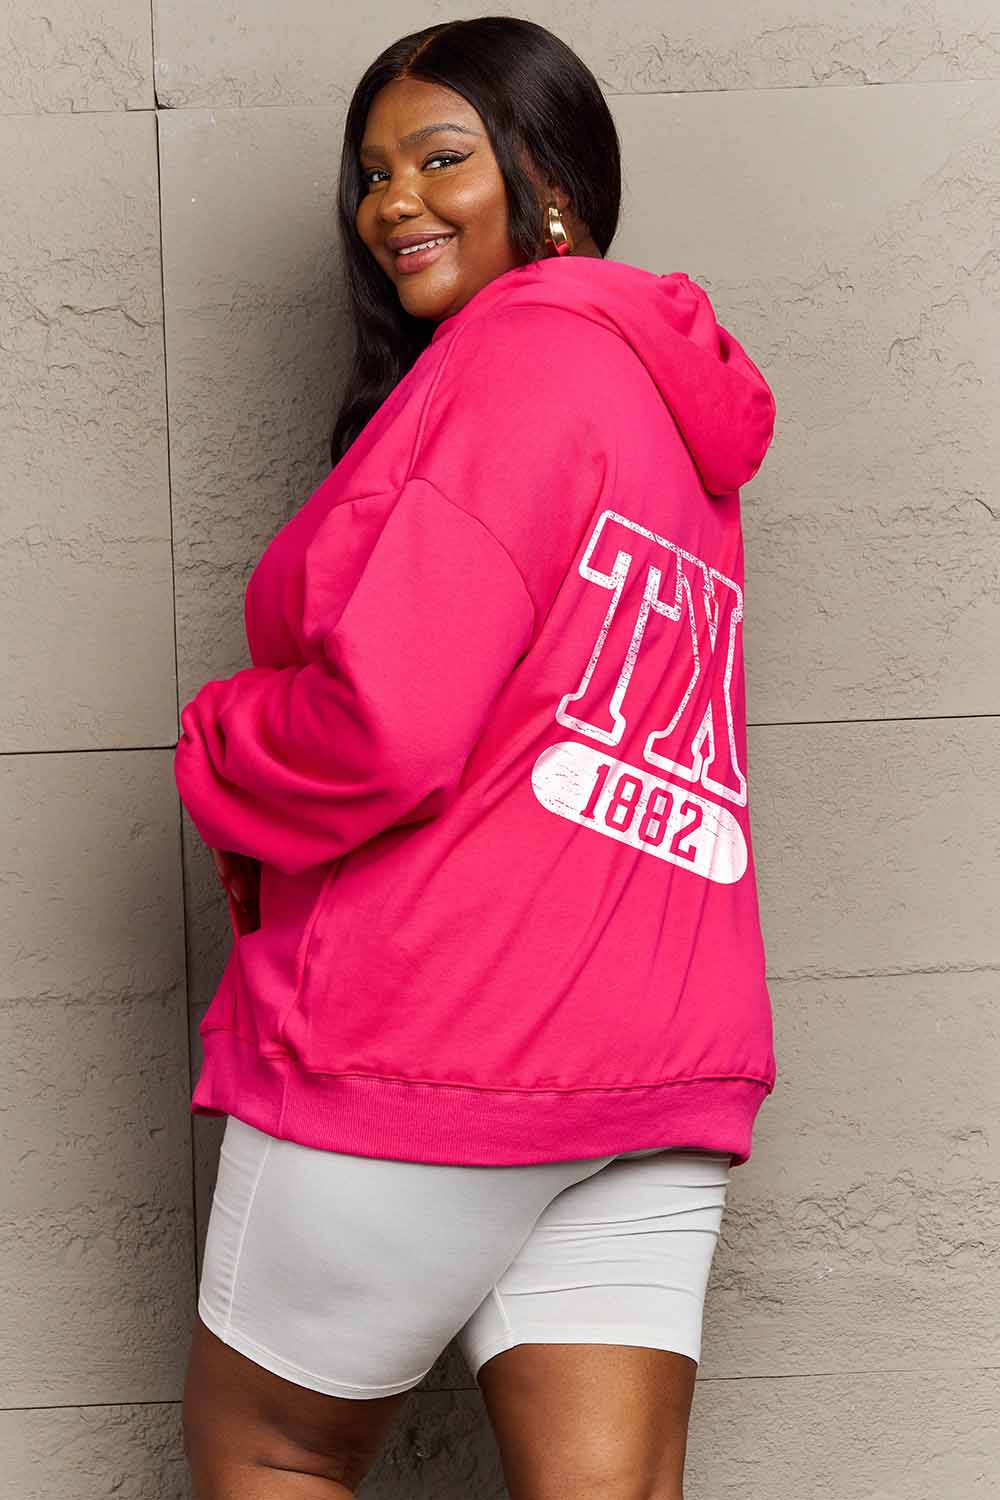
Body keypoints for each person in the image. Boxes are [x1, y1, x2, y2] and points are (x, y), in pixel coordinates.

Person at [174, 16, 778, 1500]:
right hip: (650, 1051)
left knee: (273, 1453)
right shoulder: (667, 404)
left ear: (545, 175)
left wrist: (220, 734)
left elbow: (385, 726)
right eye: (374, 174)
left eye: (442, 158)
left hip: (437, 1034)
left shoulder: (515, 365)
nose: (396, 203)